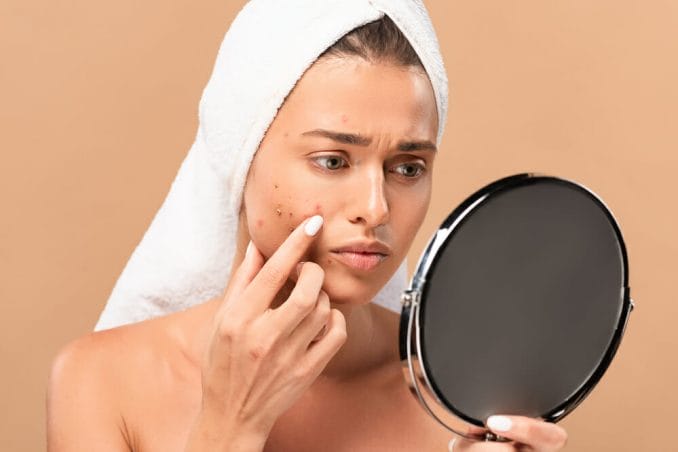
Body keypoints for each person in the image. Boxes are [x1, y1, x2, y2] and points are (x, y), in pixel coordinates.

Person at [47, 2, 568, 451]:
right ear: (241, 157)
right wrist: (230, 427)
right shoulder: (101, 385)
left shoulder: (464, 403)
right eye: (333, 160)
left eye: (408, 168)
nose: (376, 207)